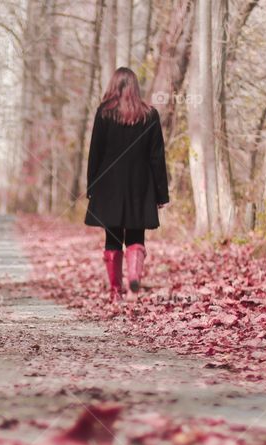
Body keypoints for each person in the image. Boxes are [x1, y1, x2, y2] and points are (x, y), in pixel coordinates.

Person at [85, 67, 170, 302]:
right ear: (135, 87)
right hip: (140, 186)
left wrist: (92, 186)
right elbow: (157, 157)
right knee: (135, 236)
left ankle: (116, 292)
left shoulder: (104, 114)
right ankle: (133, 282)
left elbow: (95, 153)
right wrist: (161, 194)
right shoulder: (149, 115)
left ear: (114, 86)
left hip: (109, 187)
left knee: (112, 238)